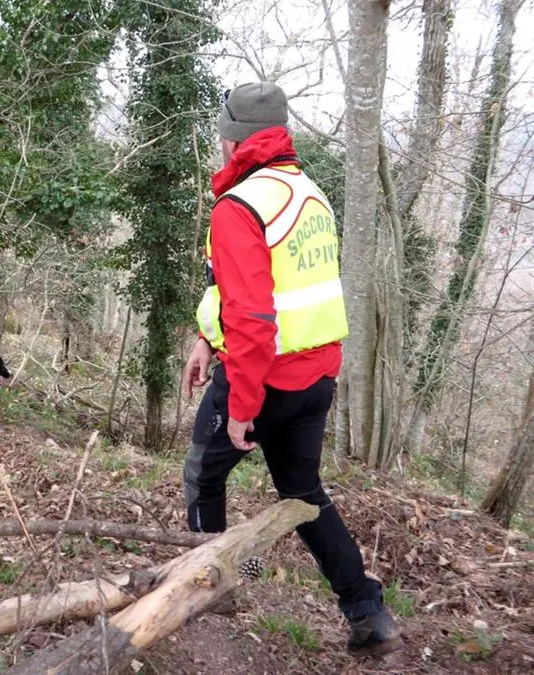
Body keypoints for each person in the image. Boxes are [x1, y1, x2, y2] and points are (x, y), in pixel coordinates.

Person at [182, 81, 402, 657]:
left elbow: (255, 318)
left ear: (232, 141)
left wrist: (241, 408)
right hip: (317, 378)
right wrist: (207, 338)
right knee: (304, 494)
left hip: (264, 377)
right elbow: (260, 295)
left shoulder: (240, 206)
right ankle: (368, 614)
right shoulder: (310, 195)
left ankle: (211, 588)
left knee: (203, 475)